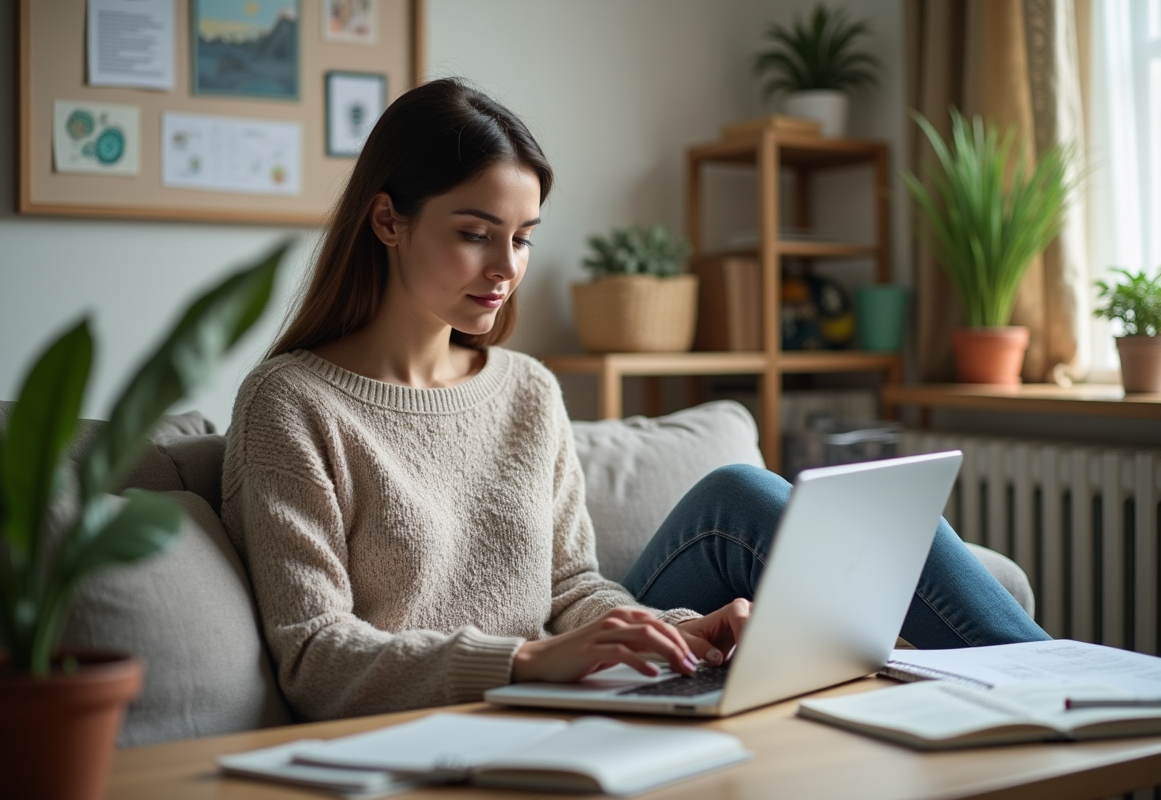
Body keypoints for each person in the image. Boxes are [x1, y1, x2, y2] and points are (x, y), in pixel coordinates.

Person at [221, 78, 1049, 722]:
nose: (506, 269)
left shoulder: (527, 391)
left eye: (523, 238)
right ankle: (1066, 685)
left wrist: (679, 628)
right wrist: (526, 660)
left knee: (820, 513)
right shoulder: (291, 405)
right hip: (478, 708)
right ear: (388, 221)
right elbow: (314, 655)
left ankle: (1062, 688)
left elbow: (574, 583)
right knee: (739, 496)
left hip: (569, 699)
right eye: (475, 233)